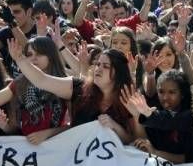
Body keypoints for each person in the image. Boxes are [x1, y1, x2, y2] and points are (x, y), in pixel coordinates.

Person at [7, 39, 135, 144]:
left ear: (119, 74)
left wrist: (115, 126)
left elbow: (132, 139)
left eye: (106, 66)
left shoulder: (128, 97)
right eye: (97, 64)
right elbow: (42, 80)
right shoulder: (78, 87)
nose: (98, 69)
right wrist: (20, 60)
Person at [0, 38, 69, 144]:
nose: (34, 59)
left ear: (51, 55)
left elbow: (76, 124)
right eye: (29, 54)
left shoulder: (65, 82)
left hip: (59, 147)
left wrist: (48, 133)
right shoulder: (20, 82)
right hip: (27, 151)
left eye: (39, 54)